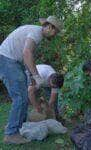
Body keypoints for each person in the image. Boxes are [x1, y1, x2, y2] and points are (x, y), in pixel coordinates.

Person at [0, 16, 63, 144]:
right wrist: (36, 76)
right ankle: (11, 134)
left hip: (12, 61)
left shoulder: (34, 32)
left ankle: (16, 127)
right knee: (20, 98)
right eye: (55, 32)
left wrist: (31, 76)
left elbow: (26, 57)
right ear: (50, 27)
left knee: (22, 96)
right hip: (7, 60)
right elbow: (27, 53)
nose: (54, 35)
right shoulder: (37, 33)